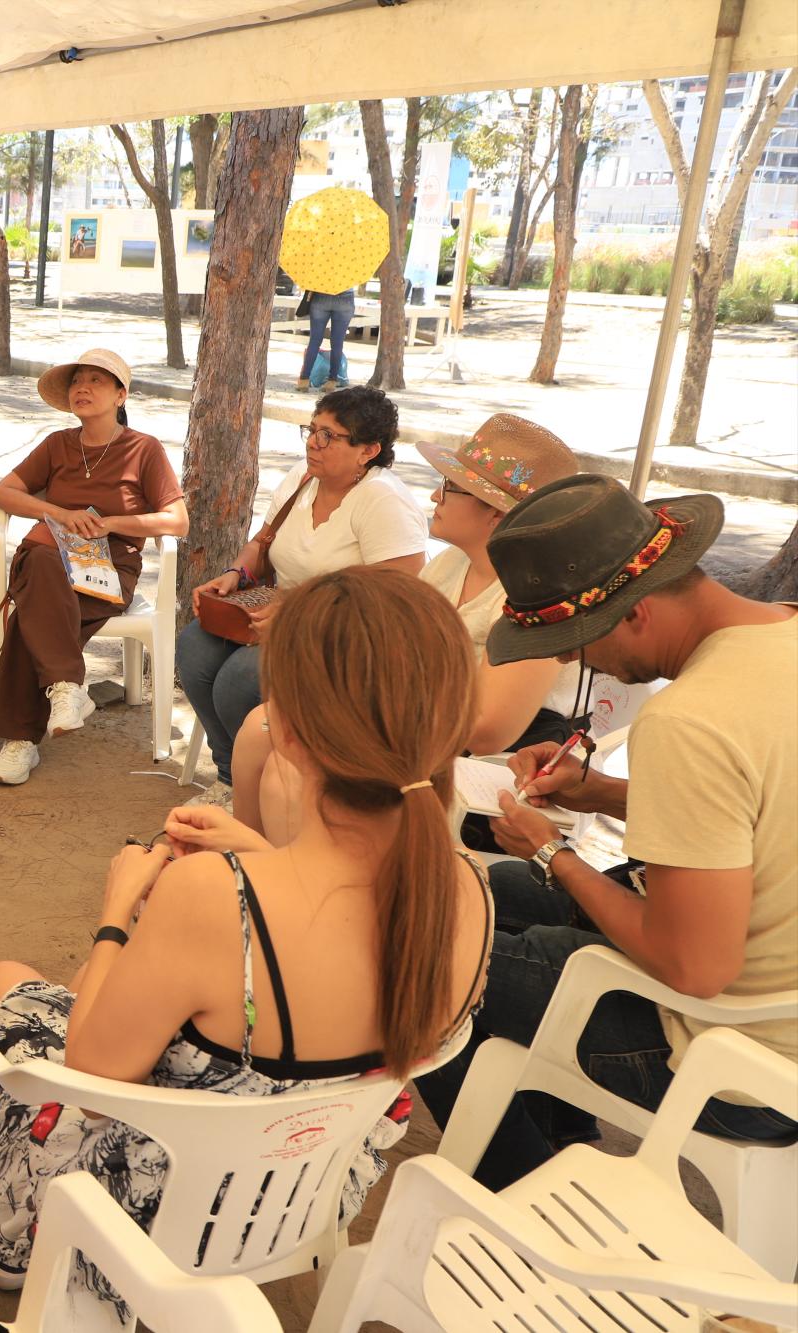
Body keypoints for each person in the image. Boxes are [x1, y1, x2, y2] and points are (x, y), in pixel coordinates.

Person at [0, 567, 492, 1299]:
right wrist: (258, 852)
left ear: (285, 729)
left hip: (154, 1219)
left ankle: (2, 1218)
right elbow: (344, 924)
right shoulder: (465, 889)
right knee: (51, 996)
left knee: (7, 984)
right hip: (296, 1198)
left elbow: (91, 1080)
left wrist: (118, 912)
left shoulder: (212, 901)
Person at [414, 475, 798, 1190]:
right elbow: (754, 818)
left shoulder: (692, 719)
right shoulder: (780, 631)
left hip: (742, 1059)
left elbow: (695, 967)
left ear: (637, 612)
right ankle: (564, 1133)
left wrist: (553, 851)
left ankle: (522, 1196)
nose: (566, 661)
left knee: (424, 966)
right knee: (492, 888)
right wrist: (603, 794)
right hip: (777, 990)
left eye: (574, 641)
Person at [231, 413, 584, 843]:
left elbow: (489, 728)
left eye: (451, 488)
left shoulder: (536, 598)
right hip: (422, 726)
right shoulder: (452, 565)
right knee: (260, 728)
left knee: (288, 774)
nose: (436, 494)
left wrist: (363, 712)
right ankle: (250, 871)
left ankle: (292, 887)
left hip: (476, 763)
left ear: (495, 513)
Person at [176, 385, 425, 802]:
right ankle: (230, 778)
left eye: (330, 435)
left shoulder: (382, 500)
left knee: (242, 678)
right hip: (280, 613)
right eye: (312, 429)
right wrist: (236, 572)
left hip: (348, 631)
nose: (314, 442)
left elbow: (398, 590)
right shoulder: (303, 477)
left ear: (368, 450)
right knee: (194, 647)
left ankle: (264, 791)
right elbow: (263, 542)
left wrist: (305, 607)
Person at [0, 349, 187, 785]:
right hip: (50, 563)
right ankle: (68, 689)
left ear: (120, 395)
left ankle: (22, 740)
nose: (83, 389)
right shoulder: (57, 444)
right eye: (77, 381)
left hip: (109, 570)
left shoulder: (143, 449)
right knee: (40, 559)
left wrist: (111, 524)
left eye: (96, 380)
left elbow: (176, 520)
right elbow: (3, 492)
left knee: (30, 618)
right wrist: (56, 513)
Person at [297, 287, 355, 390]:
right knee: (337, 343)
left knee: (314, 341)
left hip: (321, 295)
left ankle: (304, 381)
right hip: (345, 296)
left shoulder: (322, 270)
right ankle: (331, 382)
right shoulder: (350, 271)